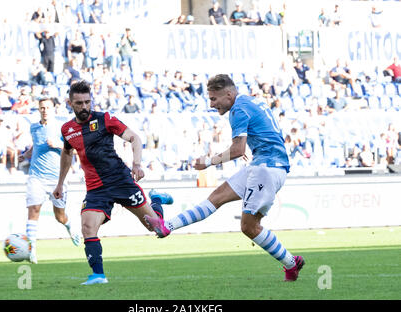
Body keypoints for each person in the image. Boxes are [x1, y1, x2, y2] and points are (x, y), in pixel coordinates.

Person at [145, 74, 305, 282]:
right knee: (217, 197)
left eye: (214, 99)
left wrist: (209, 162)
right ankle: (167, 227)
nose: (212, 105)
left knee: (249, 227)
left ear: (229, 94)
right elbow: (259, 133)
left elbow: (237, 150)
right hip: (263, 164)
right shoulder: (249, 101)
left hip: (266, 169)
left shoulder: (238, 109)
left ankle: (292, 263)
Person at [52, 80, 173, 285]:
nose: (84, 107)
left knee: (159, 230)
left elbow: (134, 137)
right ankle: (98, 275)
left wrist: (136, 164)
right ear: (70, 103)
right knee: (88, 228)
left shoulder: (105, 119)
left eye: (87, 102)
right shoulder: (67, 130)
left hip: (121, 181)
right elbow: (67, 153)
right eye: (79, 103)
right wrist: (60, 183)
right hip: (96, 188)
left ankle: (157, 201)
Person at [18, 98, 81, 264]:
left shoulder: (63, 127)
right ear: (38, 109)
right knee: (34, 210)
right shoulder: (34, 127)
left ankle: (70, 227)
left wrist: (58, 145)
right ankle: (30, 251)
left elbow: (76, 150)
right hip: (36, 176)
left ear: (53, 109)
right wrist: (26, 154)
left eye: (47, 107)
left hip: (57, 178)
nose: (44, 110)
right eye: (42, 108)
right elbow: (36, 145)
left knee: (59, 216)